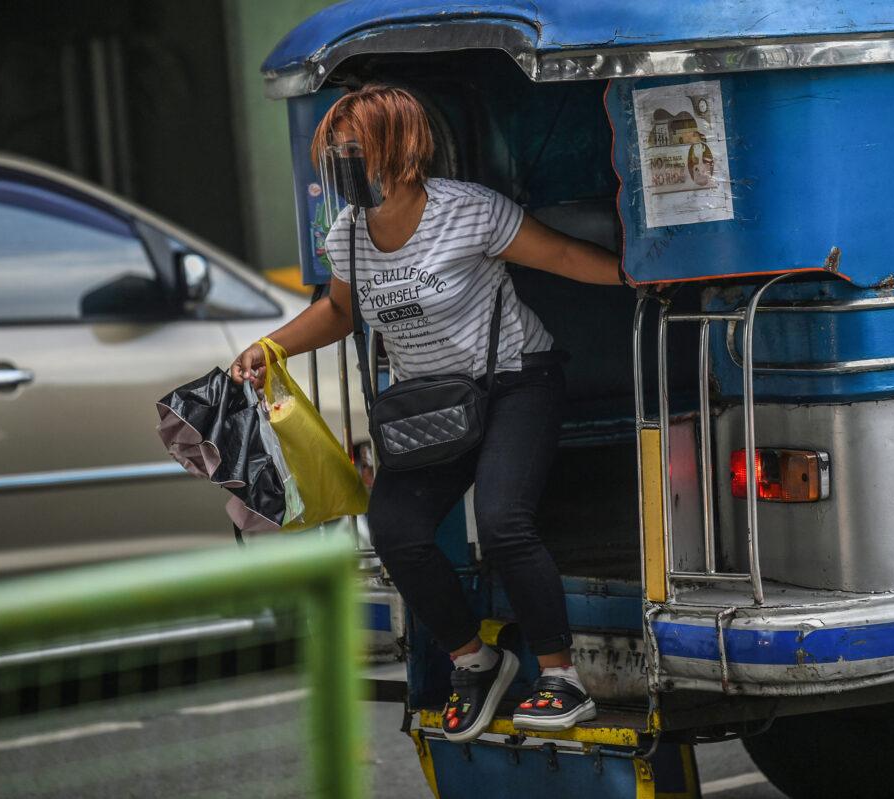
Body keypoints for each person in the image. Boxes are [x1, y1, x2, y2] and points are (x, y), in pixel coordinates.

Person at [230, 84, 622, 742]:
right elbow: (339, 311)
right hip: (436, 403)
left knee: (503, 522)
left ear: (401, 149)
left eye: (354, 147)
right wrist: (269, 347)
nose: (341, 160)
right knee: (396, 528)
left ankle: (562, 677)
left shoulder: (468, 212)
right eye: (334, 149)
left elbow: (558, 255)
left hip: (517, 382)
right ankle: (476, 659)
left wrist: (647, 277)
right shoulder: (347, 230)